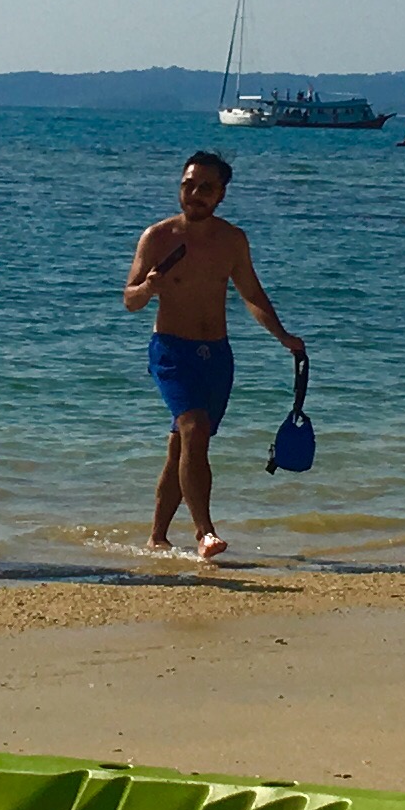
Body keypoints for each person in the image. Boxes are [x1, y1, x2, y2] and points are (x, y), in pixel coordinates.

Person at [124, 150, 305, 561]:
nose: (195, 194)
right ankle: (205, 532)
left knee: (184, 446)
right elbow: (129, 300)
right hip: (171, 351)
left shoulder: (232, 240)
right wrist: (149, 287)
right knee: (193, 429)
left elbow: (251, 294)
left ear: (221, 194)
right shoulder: (158, 238)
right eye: (189, 185)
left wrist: (282, 336)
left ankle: (157, 538)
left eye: (206, 188)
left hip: (217, 357)